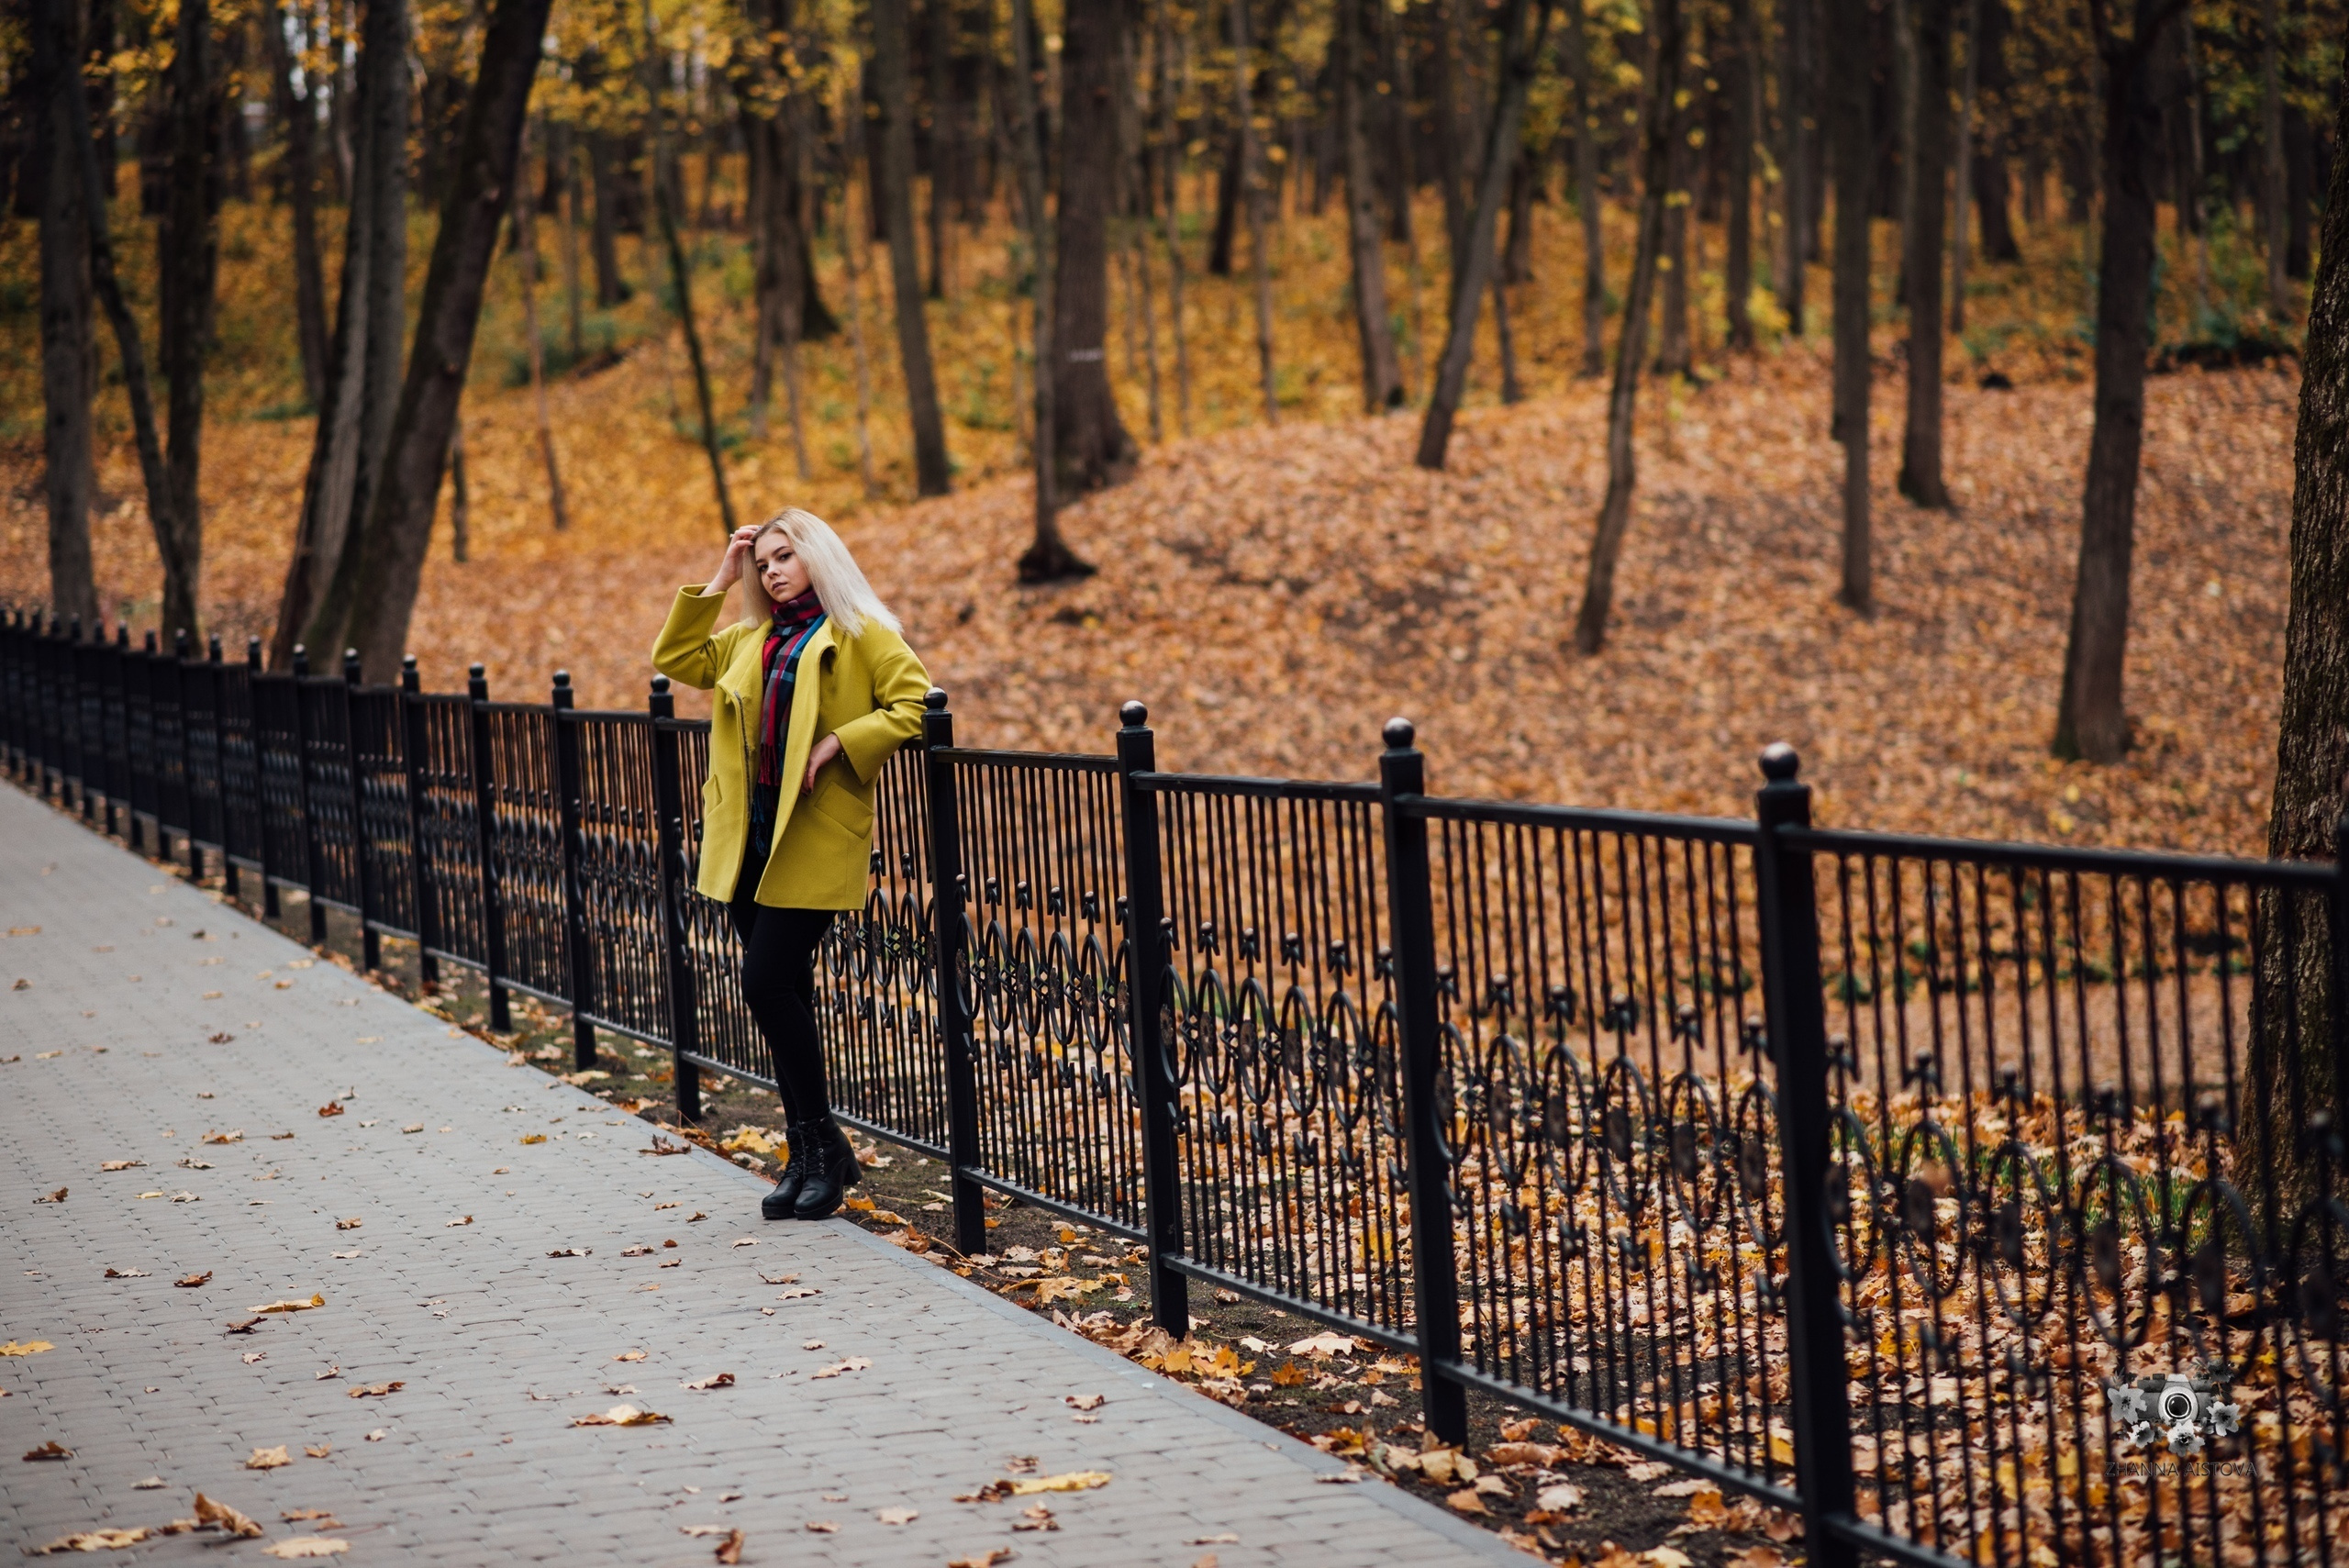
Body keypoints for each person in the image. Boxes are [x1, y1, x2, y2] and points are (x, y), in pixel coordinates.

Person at [651, 508, 929, 1220]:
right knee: (786, 1000)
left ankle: (821, 1141)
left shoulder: (862, 633)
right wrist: (719, 577)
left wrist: (840, 742)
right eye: (762, 562)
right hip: (749, 842)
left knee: (766, 982)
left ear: (816, 557)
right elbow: (676, 659)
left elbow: (915, 704)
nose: (771, 571)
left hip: (809, 836)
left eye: (784, 556)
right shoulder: (751, 637)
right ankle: (810, 1152)